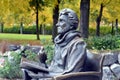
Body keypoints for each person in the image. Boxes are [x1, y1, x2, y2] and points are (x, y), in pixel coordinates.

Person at [20, 8, 87, 80]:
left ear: (71, 24)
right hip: (53, 75)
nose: (57, 24)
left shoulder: (78, 44)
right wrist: (43, 61)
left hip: (61, 78)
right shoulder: (59, 42)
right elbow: (54, 67)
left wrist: (45, 77)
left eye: (61, 21)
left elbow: (72, 73)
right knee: (26, 71)